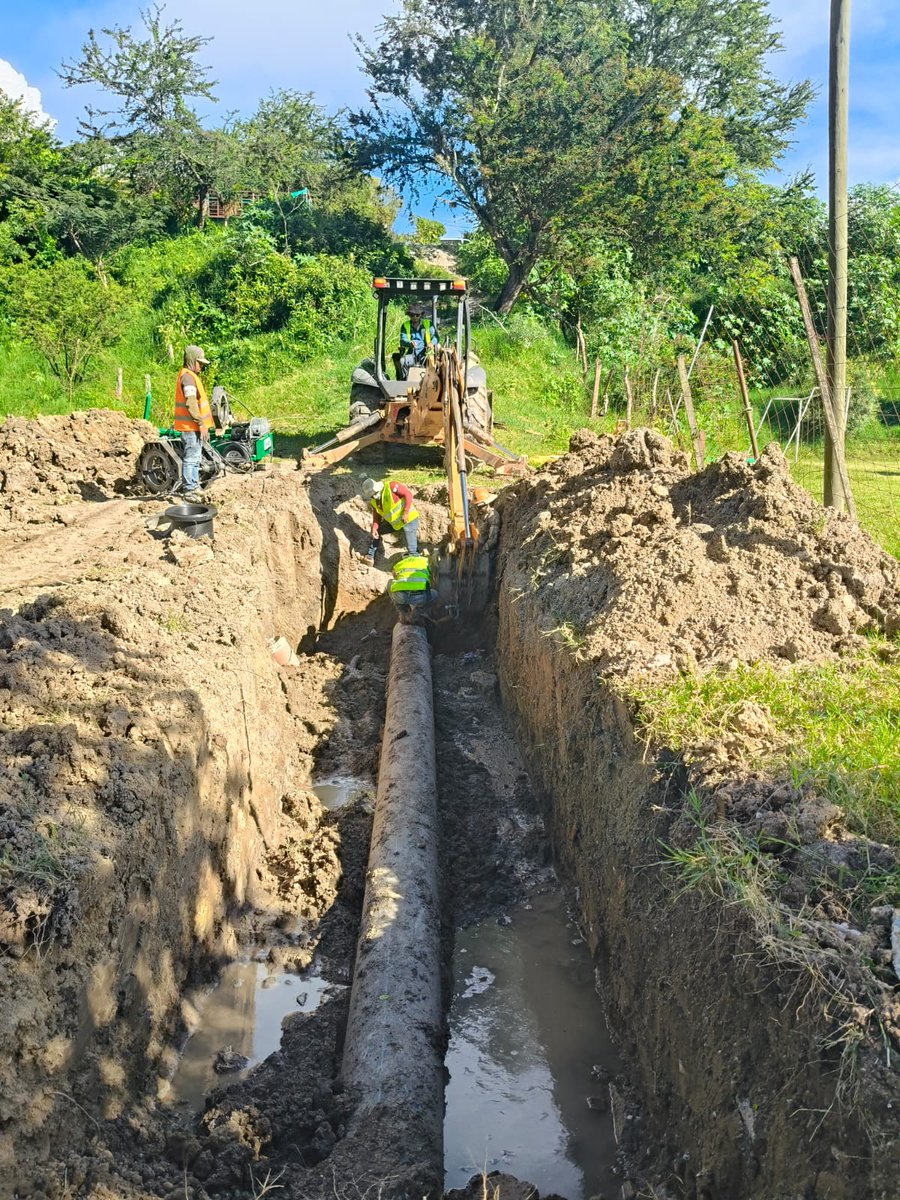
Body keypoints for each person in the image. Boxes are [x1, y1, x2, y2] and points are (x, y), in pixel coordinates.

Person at [173, 345, 214, 496]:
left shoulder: (190, 376)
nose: (201, 366)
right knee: (191, 458)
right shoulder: (188, 378)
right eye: (200, 363)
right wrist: (201, 424)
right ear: (192, 360)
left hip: (192, 426)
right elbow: (191, 404)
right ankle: (189, 490)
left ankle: (194, 487)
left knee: (195, 457)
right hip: (190, 427)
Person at [361, 477, 419, 563]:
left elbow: (408, 494)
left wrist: (406, 512)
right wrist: (374, 528)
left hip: (409, 518)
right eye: (372, 495)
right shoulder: (374, 501)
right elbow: (376, 518)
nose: (374, 496)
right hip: (395, 523)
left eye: (375, 494)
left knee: (412, 550)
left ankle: (414, 555)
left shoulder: (391, 486)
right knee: (377, 531)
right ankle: (370, 556)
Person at [393, 302, 439, 380]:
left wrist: (431, 343)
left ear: (420, 315)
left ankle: (432, 382)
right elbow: (403, 340)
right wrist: (409, 343)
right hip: (411, 354)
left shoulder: (428, 324)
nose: (415, 317)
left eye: (417, 315)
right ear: (409, 315)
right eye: (412, 315)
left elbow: (436, 337)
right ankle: (404, 381)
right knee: (402, 361)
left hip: (426, 354)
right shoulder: (405, 326)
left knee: (435, 364)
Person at [387, 554, 437, 622]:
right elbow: (432, 575)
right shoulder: (424, 561)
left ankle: (402, 612)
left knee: (390, 583)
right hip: (419, 597)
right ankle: (417, 612)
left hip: (401, 596)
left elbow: (395, 577)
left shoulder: (400, 563)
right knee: (434, 594)